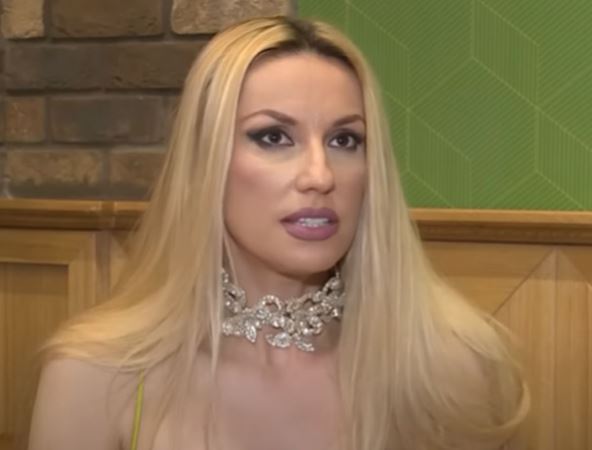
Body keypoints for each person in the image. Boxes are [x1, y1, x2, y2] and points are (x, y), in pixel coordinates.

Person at [27, 16, 528, 450]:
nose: (320, 175)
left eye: (344, 139)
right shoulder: (94, 377)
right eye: (273, 136)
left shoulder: (453, 369)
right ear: (206, 162)